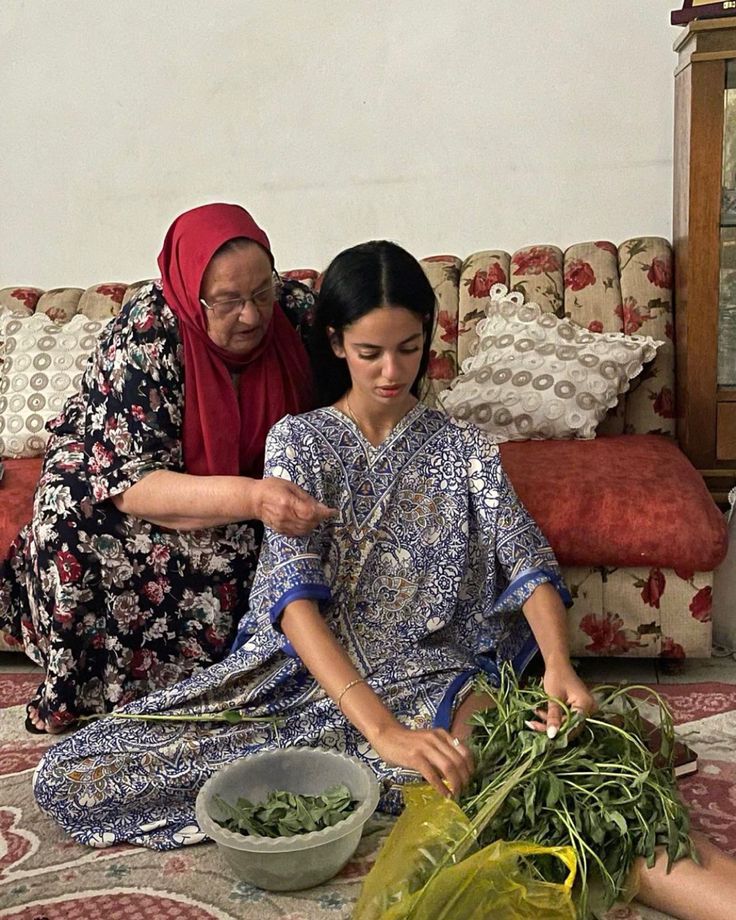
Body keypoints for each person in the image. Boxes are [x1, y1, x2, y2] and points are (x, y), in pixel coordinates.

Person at [33, 242, 736, 919]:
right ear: (337, 343)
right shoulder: (300, 440)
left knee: (547, 771)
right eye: (370, 352)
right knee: (76, 775)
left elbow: (525, 557)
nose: (392, 371)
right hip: (300, 680)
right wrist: (384, 732)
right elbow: (293, 599)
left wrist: (556, 664)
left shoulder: (460, 446)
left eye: (409, 347)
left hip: (440, 677)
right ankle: (403, 761)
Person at [0, 203, 334, 735]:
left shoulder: (295, 312)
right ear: (189, 291)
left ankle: (220, 690)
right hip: (120, 479)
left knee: (264, 550)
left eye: (260, 293)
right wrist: (253, 498)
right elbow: (133, 483)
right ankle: (90, 699)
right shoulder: (148, 333)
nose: (250, 315)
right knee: (66, 532)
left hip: (242, 487)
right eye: (227, 301)